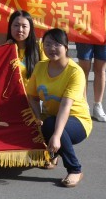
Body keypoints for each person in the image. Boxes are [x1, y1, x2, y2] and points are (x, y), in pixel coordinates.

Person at [27, 28, 92, 188]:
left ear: (66, 47)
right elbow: (32, 96)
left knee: (52, 125)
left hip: (77, 120)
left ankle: (75, 169)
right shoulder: (40, 67)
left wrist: (56, 135)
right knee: (43, 123)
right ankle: (53, 154)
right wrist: (37, 117)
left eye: (57, 44)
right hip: (50, 118)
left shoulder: (75, 72)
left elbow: (65, 105)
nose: (52, 48)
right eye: (47, 44)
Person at [5, 10, 46, 88]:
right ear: (10, 27)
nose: (20, 30)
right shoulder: (5, 49)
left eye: (24, 26)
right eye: (16, 25)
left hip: (34, 95)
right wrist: (6, 50)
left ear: (30, 29)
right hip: (12, 94)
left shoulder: (40, 48)